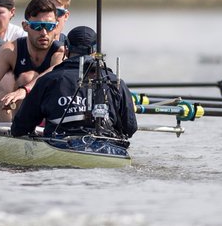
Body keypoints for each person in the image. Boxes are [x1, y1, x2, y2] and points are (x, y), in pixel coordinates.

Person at [10, 25, 137, 154]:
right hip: (110, 151)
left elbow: (20, 127)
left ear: (66, 49)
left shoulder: (48, 80)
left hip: (60, 148)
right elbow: (130, 128)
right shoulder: (116, 81)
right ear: (95, 52)